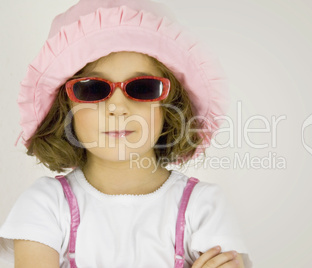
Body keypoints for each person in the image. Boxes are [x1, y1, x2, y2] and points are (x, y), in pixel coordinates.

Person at [0, 0, 253, 267]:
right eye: (92, 89)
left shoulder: (203, 207)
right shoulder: (46, 205)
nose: (118, 108)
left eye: (143, 87)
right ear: (65, 108)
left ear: (170, 105)